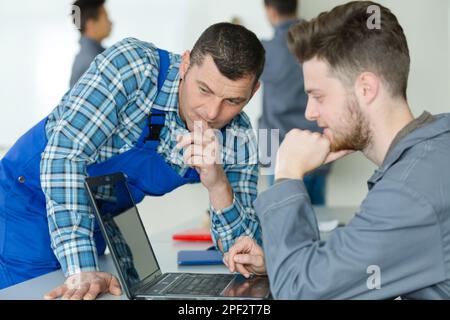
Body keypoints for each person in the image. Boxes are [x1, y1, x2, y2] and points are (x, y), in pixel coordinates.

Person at [0, 22, 265, 299]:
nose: (212, 113)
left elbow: (246, 253)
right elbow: (64, 156)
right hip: (26, 203)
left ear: (253, 91)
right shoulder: (134, 67)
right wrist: (82, 268)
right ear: (186, 64)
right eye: (204, 90)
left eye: (233, 101)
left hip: (91, 218)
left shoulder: (237, 136)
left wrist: (218, 185)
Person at [224, 1, 450, 299]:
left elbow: (298, 294)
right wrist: (280, 262)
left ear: (366, 89)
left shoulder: (408, 193)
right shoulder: (433, 148)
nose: (309, 112)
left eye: (318, 96)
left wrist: (288, 173)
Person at [259, 0, 330, 204]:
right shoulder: (321, 44)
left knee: (283, 220)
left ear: (270, 11)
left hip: (278, 154)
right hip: (319, 147)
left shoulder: (265, 51)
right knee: (318, 222)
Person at [70, 0, 112, 88]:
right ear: (91, 24)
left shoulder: (91, 55)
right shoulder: (93, 60)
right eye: (106, 17)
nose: (111, 22)